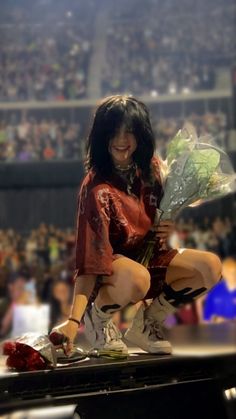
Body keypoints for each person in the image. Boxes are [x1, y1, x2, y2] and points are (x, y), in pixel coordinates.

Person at [50, 95, 222, 355]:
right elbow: (89, 262)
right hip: (113, 277)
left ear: (141, 134)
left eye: (129, 131)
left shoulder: (152, 168)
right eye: (114, 132)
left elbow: (162, 210)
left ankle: (146, 322)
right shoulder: (96, 189)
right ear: (101, 136)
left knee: (209, 267)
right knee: (138, 278)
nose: (121, 140)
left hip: (148, 263)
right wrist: (75, 320)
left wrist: (167, 222)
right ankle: (97, 320)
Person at [203, 257, 236, 322]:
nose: (230, 275)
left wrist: (227, 320)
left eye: (232, 272)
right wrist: (214, 319)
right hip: (216, 329)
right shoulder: (215, 289)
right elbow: (207, 313)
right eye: (226, 272)